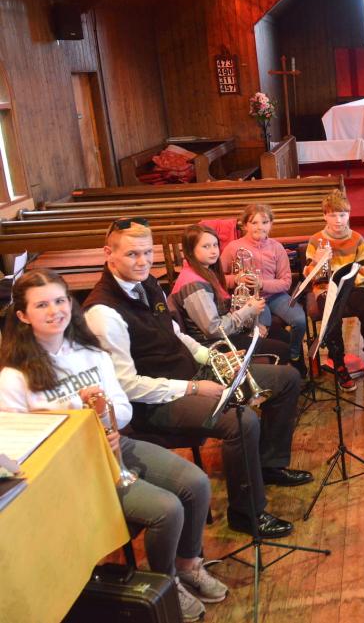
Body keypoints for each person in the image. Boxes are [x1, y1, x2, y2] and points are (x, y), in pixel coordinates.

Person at [0, 270, 228, 622]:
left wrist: (106, 412)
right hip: (74, 473)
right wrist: (79, 412)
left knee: (196, 483)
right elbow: (17, 447)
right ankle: (165, 581)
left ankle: (187, 564)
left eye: (60, 301)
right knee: (167, 510)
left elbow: (122, 409)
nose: (54, 311)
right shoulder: (14, 377)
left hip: (117, 448)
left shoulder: (91, 353)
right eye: (41, 304)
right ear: (22, 315)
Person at [83, 218, 312, 541]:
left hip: (189, 373)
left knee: (287, 378)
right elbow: (128, 385)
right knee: (241, 420)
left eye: (148, 253)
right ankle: (246, 513)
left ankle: (269, 465)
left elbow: (175, 334)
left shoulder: (146, 283)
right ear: (109, 254)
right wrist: (193, 387)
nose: (143, 261)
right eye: (133, 254)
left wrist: (213, 358)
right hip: (155, 402)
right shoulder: (103, 312)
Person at [170, 224, 291, 362]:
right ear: (190, 251)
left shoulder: (206, 271)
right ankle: (275, 380)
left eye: (215, 245)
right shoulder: (194, 284)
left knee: (283, 336)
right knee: (282, 349)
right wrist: (248, 310)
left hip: (226, 333)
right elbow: (214, 329)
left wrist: (251, 323)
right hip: (215, 344)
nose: (213, 251)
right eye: (206, 246)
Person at [302, 189, 364, 390]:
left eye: (342, 215)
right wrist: (318, 263)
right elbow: (310, 275)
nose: (338, 220)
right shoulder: (316, 240)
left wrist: (350, 281)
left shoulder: (357, 238)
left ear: (349, 215)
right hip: (326, 287)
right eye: (333, 215)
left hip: (352, 286)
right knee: (331, 318)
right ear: (324, 216)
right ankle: (339, 363)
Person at [219, 204, 307, 375]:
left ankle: (295, 355)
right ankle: (272, 367)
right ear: (245, 226)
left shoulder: (277, 247)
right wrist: (236, 279)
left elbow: (286, 282)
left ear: (271, 224)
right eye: (254, 223)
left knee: (300, 320)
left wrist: (262, 284)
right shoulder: (233, 247)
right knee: (263, 328)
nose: (260, 227)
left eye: (265, 222)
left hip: (275, 295)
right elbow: (218, 278)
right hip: (250, 299)